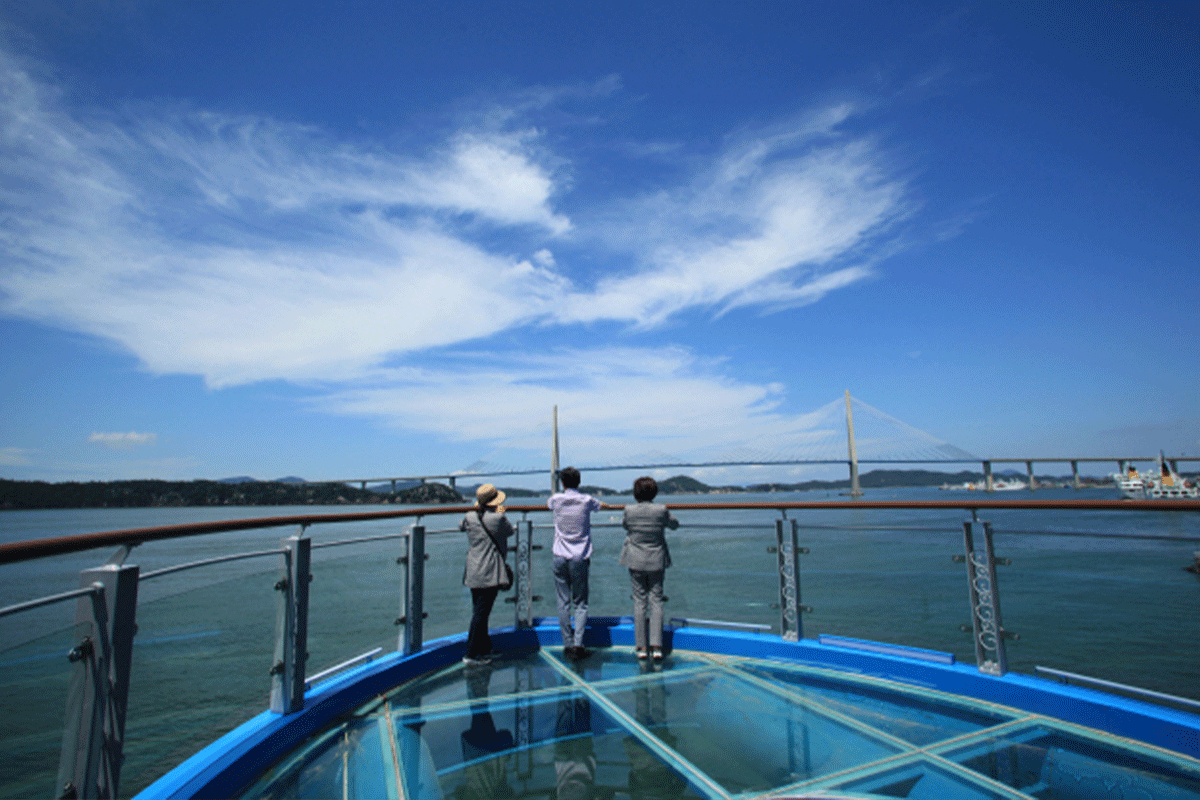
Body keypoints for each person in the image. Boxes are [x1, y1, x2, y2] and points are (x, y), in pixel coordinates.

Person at [548, 466, 607, 659]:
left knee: (562, 601)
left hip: (559, 556)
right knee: (580, 602)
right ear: (579, 482)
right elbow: (601, 506)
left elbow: (548, 504)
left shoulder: (555, 500)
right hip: (579, 557)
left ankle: (567, 644)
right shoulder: (587, 500)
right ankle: (578, 645)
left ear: (562, 483)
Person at [619, 476, 679, 661]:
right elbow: (674, 525)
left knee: (639, 601)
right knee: (656, 600)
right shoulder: (661, 510)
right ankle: (657, 646)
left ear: (635, 493)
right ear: (654, 493)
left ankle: (642, 647)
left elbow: (625, 526)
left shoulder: (629, 510)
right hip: (656, 560)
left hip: (635, 559)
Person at [460, 484, 514, 664]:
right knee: (482, 613)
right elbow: (510, 531)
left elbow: (461, 526)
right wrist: (501, 514)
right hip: (490, 571)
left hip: (473, 570)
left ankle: (485, 648)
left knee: (479, 610)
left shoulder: (469, 516)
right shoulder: (498, 519)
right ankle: (471, 654)